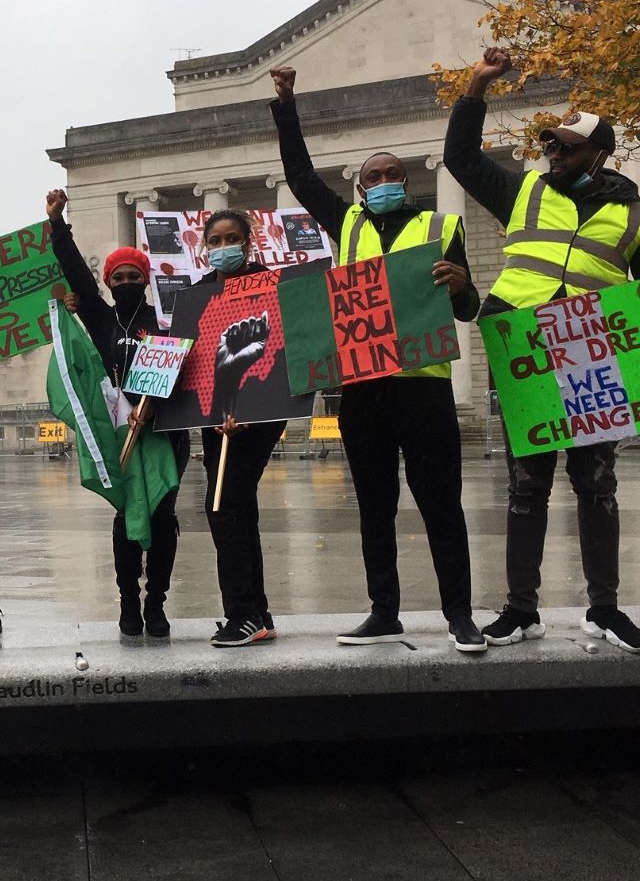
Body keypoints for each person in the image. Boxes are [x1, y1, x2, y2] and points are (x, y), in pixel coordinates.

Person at [269, 66, 487, 653]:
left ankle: (460, 615)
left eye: (394, 173)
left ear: (406, 180)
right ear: (362, 189)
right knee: (374, 507)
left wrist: (463, 284)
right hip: (363, 389)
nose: (387, 179)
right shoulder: (347, 224)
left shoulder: (441, 225)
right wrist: (287, 106)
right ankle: (383, 611)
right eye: (375, 176)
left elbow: (466, 309)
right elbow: (300, 176)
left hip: (424, 387)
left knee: (441, 504)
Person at [444, 48, 640, 652]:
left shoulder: (633, 215)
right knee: (527, 485)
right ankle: (520, 609)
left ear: (599, 155)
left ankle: (603, 609)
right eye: (550, 144)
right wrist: (477, 85)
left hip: (589, 352)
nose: (553, 152)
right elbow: (459, 159)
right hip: (526, 345)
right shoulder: (523, 190)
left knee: (597, 483)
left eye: (566, 146)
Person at [45, 188, 191, 636]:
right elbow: (75, 276)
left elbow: (182, 370)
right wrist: (58, 223)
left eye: (134, 275)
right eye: (119, 276)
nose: (126, 281)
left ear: (145, 280)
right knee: (126, 513)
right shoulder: (102, 319)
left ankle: (157, 603)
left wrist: (154, 409)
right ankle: (128, 601)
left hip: (163, 433)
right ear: (109, 283)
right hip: (118, 434)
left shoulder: (166, 322)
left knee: (163, 516)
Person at [192, 210, 288, 647]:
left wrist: (251, 405)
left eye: (232, 238)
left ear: (248, 243)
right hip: (217, 419)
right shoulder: (198, 294)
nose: (223, 246)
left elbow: (282, 347)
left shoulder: (271, 284)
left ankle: (244, 612)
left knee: (225, 507)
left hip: (257, 413)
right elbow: (193, 359)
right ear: (205, 246)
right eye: (215, 240)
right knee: (235, 507)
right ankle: (256, 612)